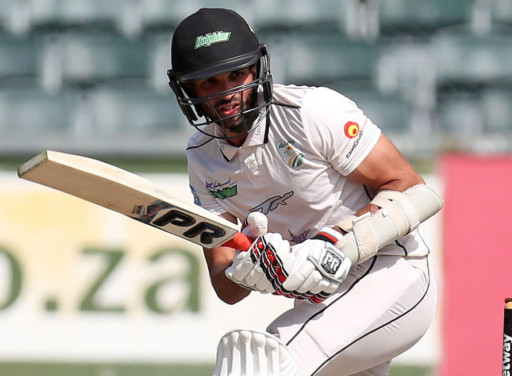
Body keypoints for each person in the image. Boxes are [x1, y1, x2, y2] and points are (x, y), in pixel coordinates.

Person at [167, 8, 443, 376]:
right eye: (210, 83)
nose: (227, 93)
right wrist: (250, 267)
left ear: (257, 69)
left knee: (259, 363)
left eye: (236, 75)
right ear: (189, 90)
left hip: (392, 275)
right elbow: (226, 286)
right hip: (324, 302)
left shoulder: (309, 113)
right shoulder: (202, 158)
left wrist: (332, 245)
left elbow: (415, 190)